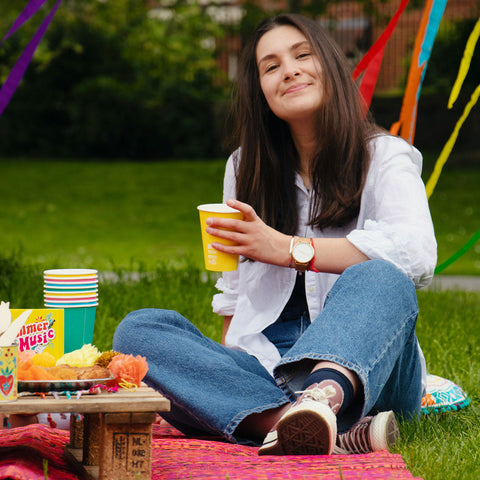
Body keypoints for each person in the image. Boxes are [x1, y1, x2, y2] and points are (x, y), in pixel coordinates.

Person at [113, 13, 437, 456]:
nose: (290, 69)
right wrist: (218, 370)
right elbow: (232, 293)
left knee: (381, 276)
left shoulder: (384, 157)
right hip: (266, 369)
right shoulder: (244, 168)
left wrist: (287, 249)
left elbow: (415, 254)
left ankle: (319, 402)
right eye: (271, 66)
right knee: (139, 333)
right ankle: (303, 426)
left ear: (330, 65)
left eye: (302, 55)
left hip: (370, 375)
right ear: (261, 91)